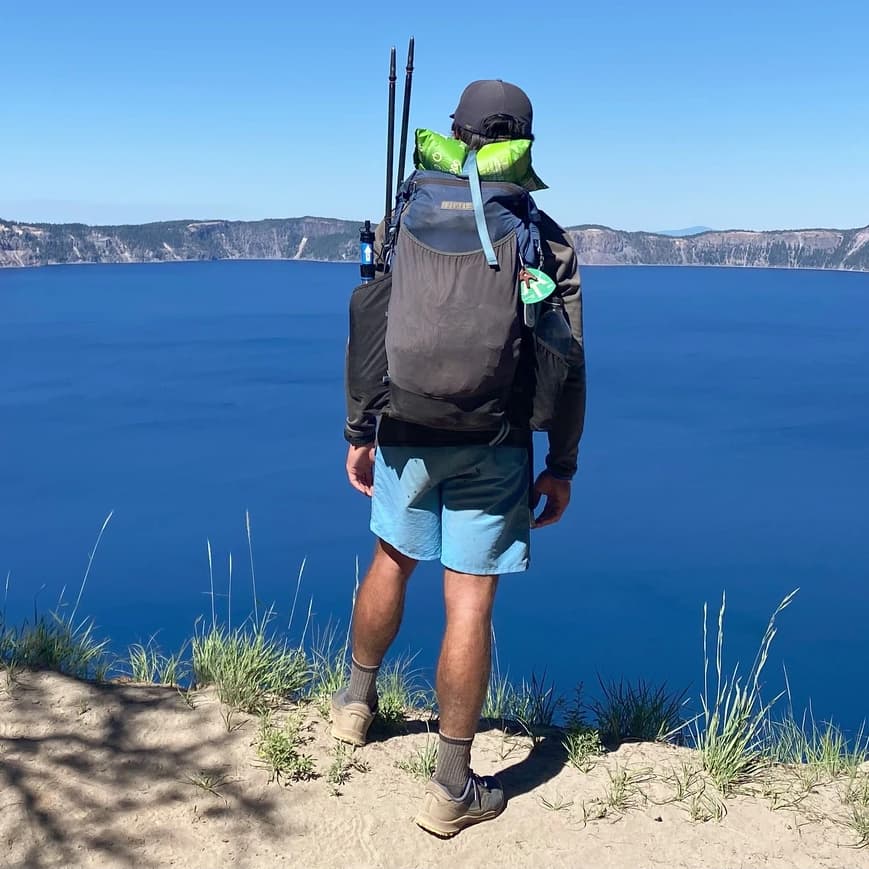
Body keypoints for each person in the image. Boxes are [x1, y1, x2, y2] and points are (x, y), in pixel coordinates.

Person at [334, 79, 586, 837]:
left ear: (454, 131)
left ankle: (353, 707)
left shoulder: (400, 218)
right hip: (494, 439)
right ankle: (450, 785)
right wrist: (562, 462)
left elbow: (368, 324)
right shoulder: (542, 235)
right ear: (524, 142)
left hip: (405, 426)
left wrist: (358, 430)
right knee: (467, 599)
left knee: (390, 559)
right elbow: (566, 360)